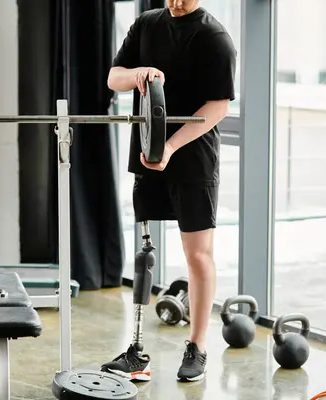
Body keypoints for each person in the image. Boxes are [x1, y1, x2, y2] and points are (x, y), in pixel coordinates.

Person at [101, 0, 236, 383]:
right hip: (146, 152)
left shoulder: (214, 37)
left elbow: (218, 106)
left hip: (193, 160)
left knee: (197, 255)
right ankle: (136, 351)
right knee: (146, 251)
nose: (175, 2)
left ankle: (198, 347)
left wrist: (171, 147)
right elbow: (114, 78)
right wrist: (138, 73)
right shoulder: (146, 24)